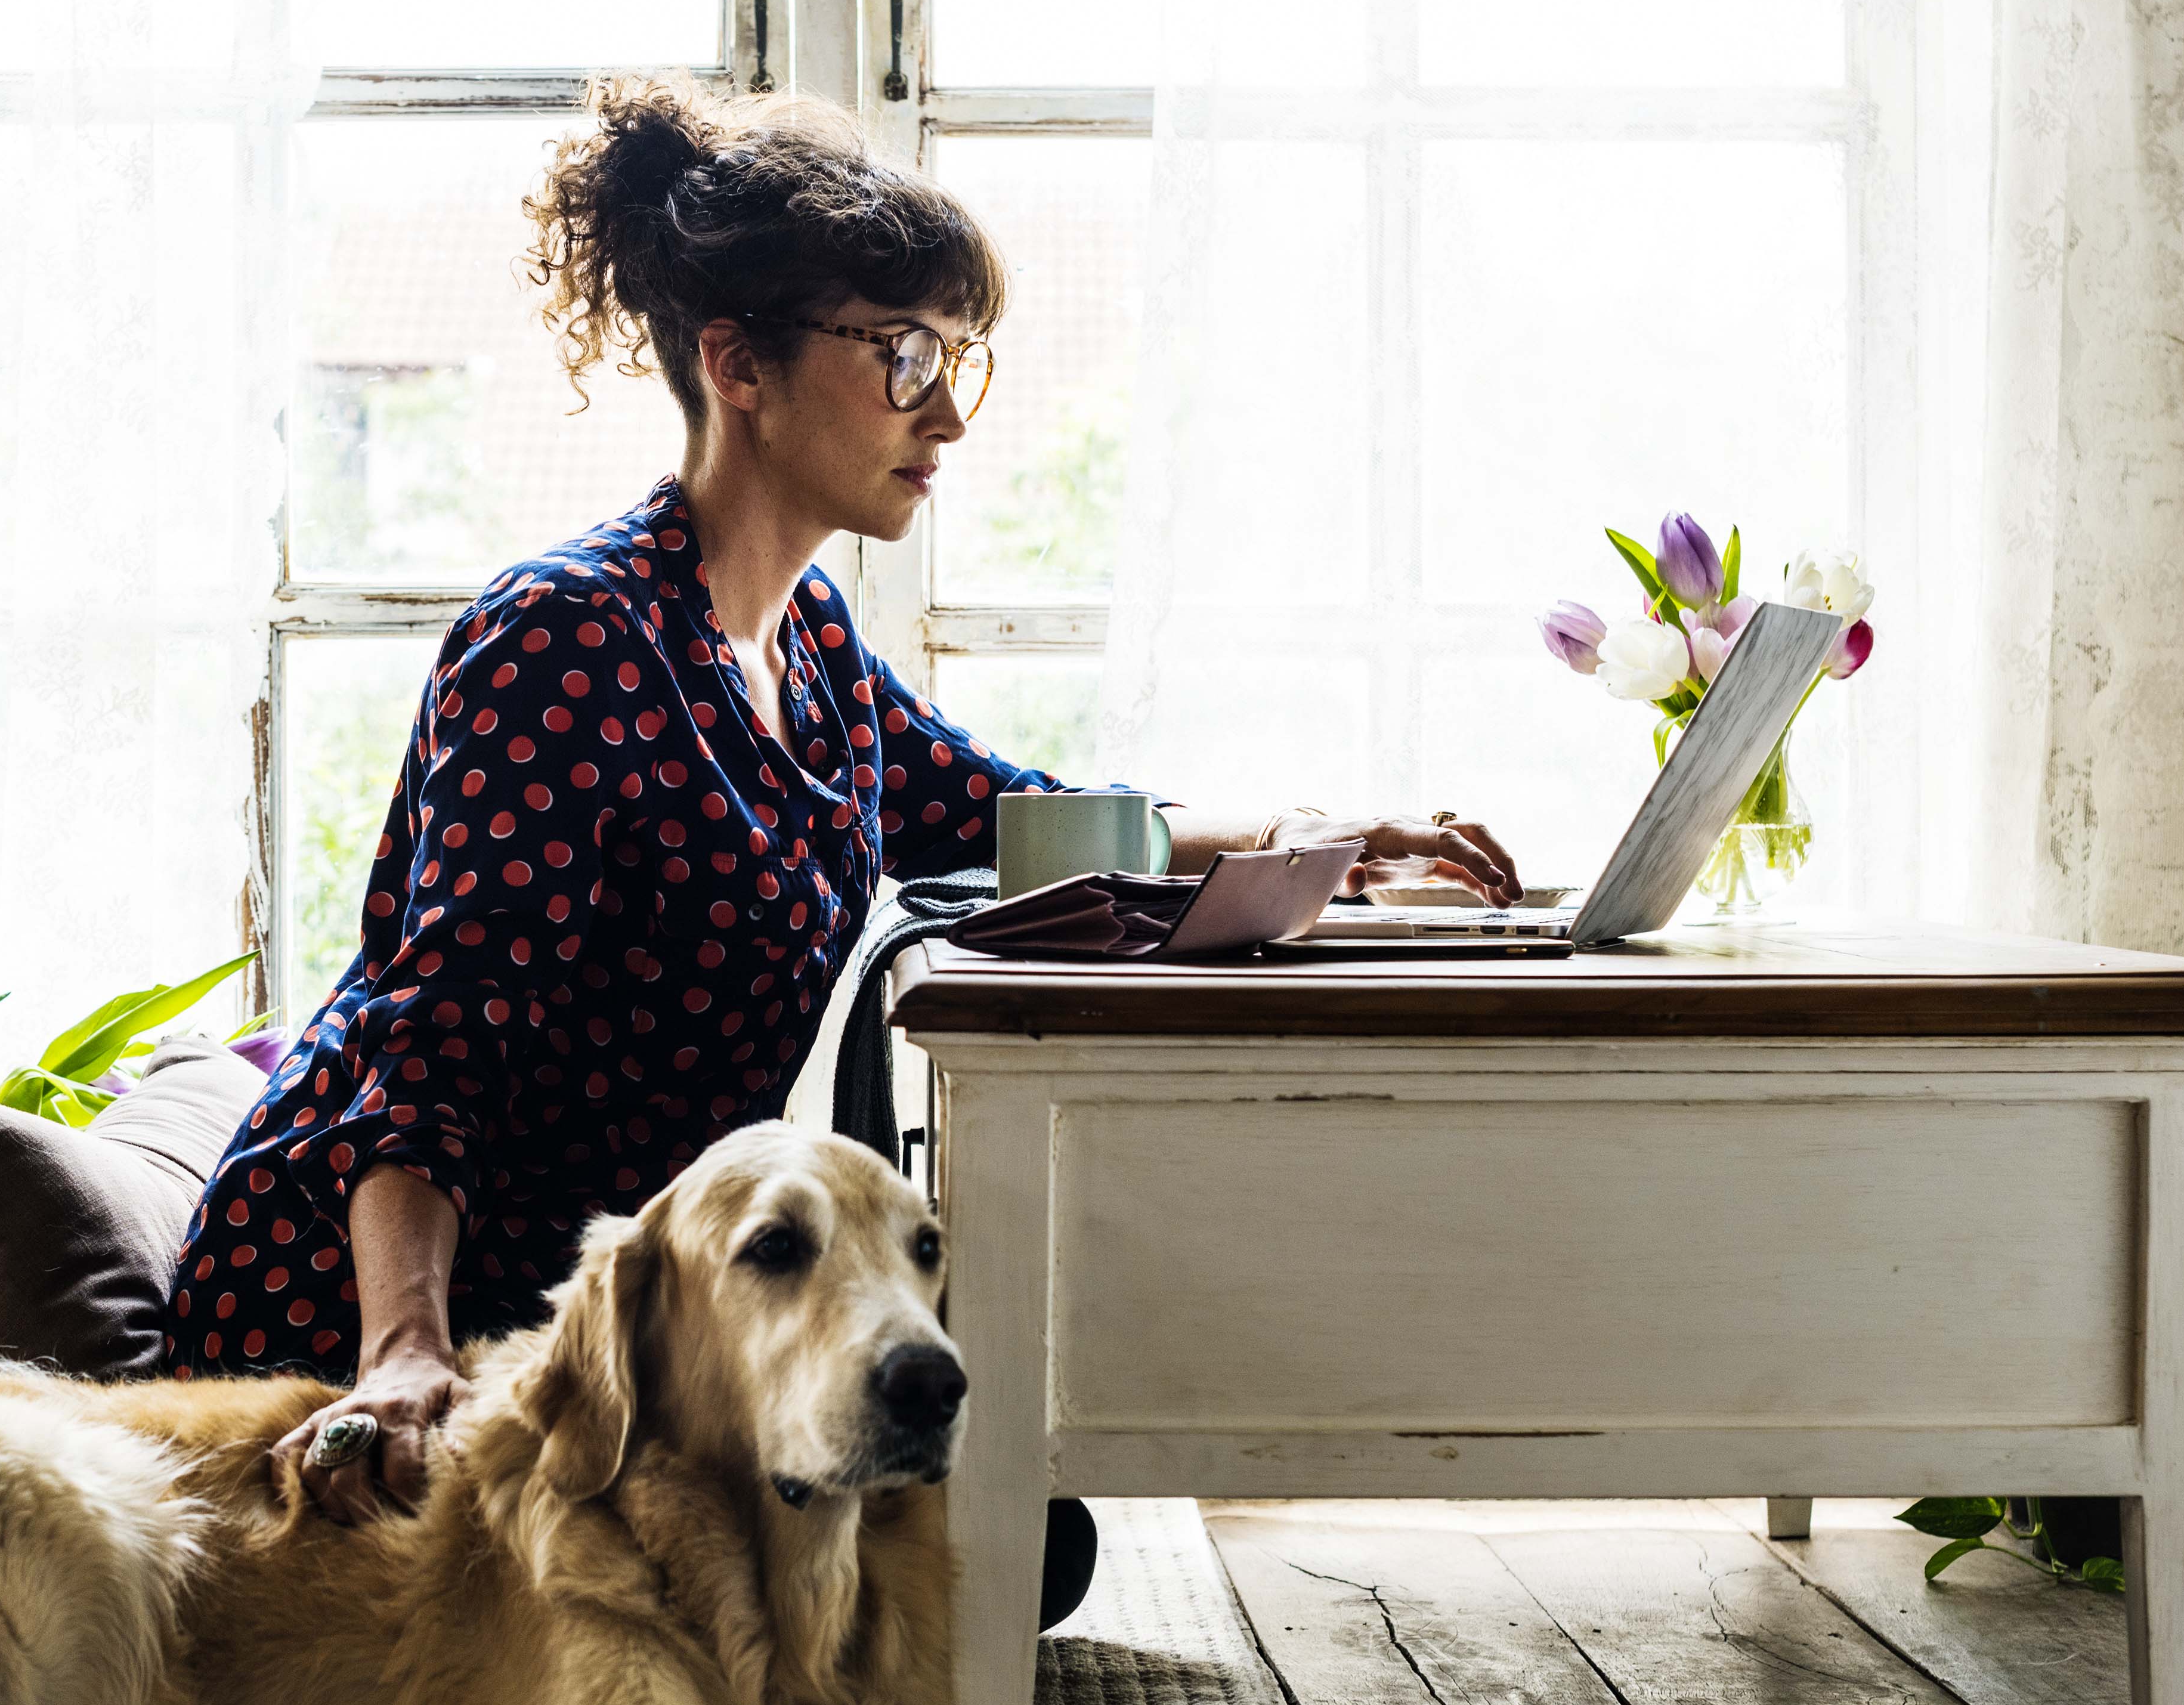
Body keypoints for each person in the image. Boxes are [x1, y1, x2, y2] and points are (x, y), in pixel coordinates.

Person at [165, 76, 1520, 1525]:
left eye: (957, 359)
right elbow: (431, 1044)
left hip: (621, 1328)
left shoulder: (808, 647)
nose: (943, 408)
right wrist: (404, 1354)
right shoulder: (563, 640)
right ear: (738, 362)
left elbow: (1021, 816)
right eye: (903, 354)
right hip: (353, 1316)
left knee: (1005, 1524)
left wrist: (1324, 836)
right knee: (973, 1535)